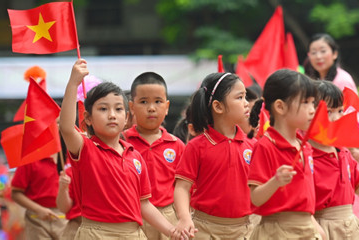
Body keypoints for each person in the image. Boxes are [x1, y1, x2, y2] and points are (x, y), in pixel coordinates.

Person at [59, 59, 189, 240]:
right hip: (96, 233)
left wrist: (172, 231)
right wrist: (73, 83)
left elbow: (144, 205)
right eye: (103, 109)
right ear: (88, 118)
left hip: (133, 234)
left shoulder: (134, 156)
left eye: (118, 109)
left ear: (127, 116)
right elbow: (66, 127)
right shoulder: (86, 148)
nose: (112, 115)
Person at [173, 72, 254, 239]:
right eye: (239, 97)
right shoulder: (196, 146)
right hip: (205, 229)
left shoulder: (252, 146)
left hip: (245, 229)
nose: (246, 104)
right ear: (218, 107)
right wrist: (184, 217)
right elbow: (182, 187)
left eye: (245, 97)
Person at [248, 69, 324, 239]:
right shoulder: (266, 146)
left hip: (307, 230)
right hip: (277, 231)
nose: (312, 110)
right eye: (305, 102)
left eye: (313, 103)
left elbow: (303, 197)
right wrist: (276, 181)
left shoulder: (305, 146)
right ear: (280, 107)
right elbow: (255, 198)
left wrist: (314, 225)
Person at [123, 72, 185, 240]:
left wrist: (184, 218)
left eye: (158, 101)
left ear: (167, 106)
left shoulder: (177, 145)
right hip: (133, 216)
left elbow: (184, 187)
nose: (151, 108)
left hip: (169, 216)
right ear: (132, 107)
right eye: (143, 102)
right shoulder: (121, 142)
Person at [309, 80, 359, 239]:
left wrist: (354, 153)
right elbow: (300, 204)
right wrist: (319, 231)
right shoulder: (305, 153)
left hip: (349, 227)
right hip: (322, 227)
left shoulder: (343, 150)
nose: (337, 117)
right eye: (329, 111)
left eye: (340, 111)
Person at [11, 153, 67, 240]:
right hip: (37, 217)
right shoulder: (29, 159)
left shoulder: (70, 157)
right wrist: (38, 209)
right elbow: (15, 193)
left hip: (65, 217)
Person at [56, 164, 81, 240]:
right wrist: (63, 189)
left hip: (106, 225)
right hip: (76, 224)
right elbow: (63, 208)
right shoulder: (69, 172)